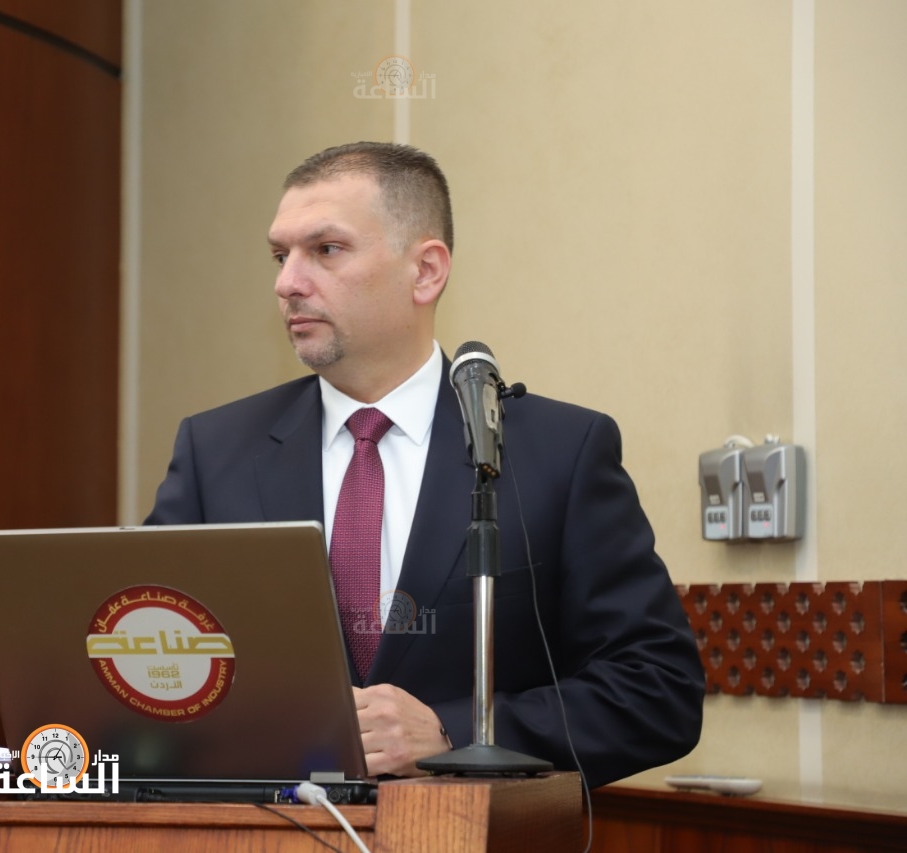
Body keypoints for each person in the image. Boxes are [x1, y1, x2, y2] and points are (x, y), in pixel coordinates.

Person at [145, 141, 703, 787]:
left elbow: (656, 690)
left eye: (326, 249)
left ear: (426, 271)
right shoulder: (216, 451)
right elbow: (145, 666)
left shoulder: (558, 451)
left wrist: (453, 733)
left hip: (467, 827)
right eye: (280, 255)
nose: (287, 282)